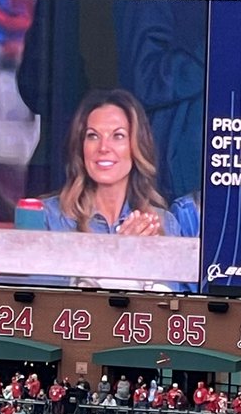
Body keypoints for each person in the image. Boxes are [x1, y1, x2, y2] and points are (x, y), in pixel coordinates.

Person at [41, 89, 185, 290]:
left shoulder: (162, 224)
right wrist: (117, 255)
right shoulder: (48, 217)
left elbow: (169, 310)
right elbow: (43, 305)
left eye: (118, 136)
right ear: (81, 147)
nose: (103, 147)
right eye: (93, 136)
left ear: (136, 147)